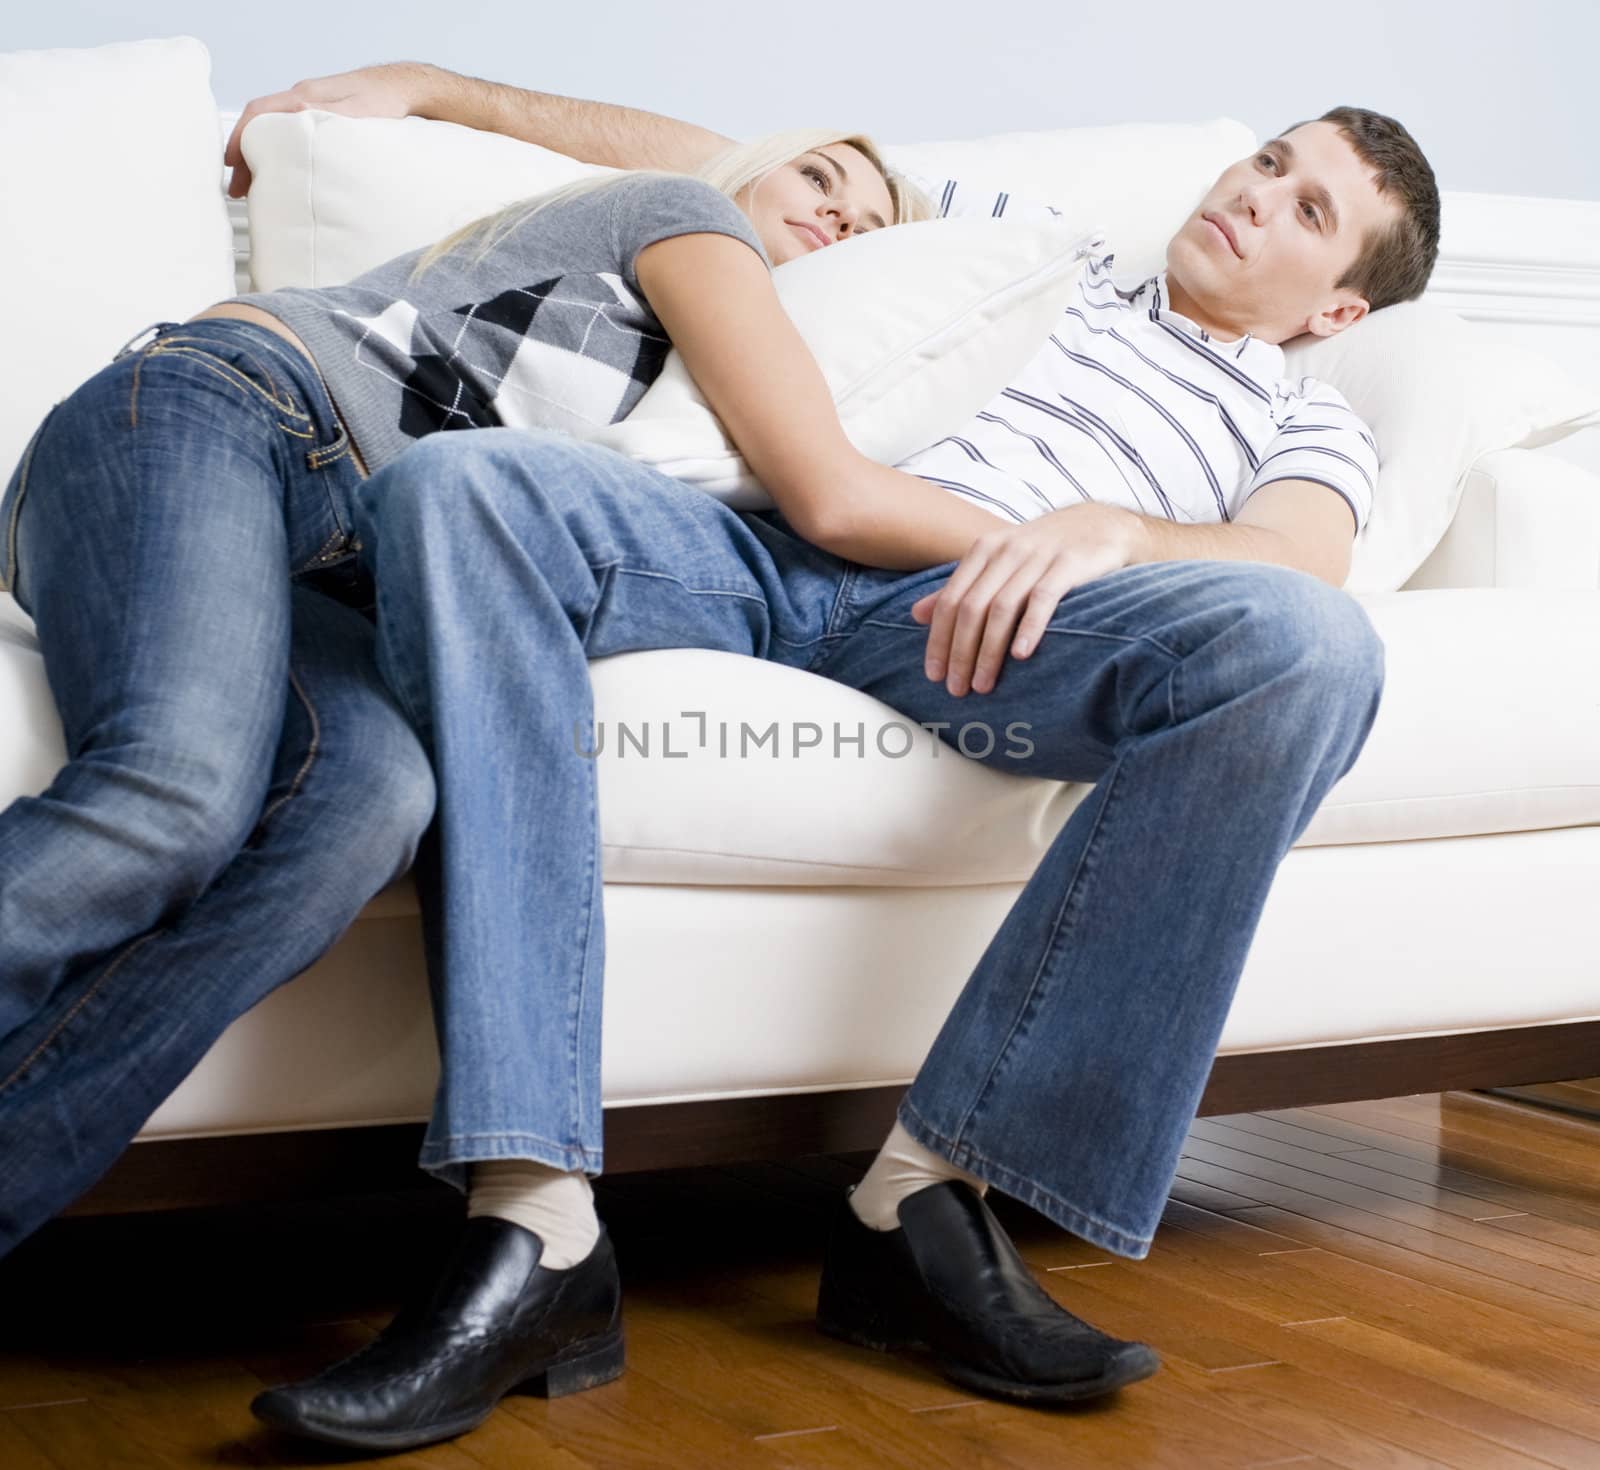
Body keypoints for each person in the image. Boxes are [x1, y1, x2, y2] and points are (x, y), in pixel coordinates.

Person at [228, 65, 1439, 1454]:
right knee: (459, 485)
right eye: (1267, 158)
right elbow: (727, 153)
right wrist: (440, 91)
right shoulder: (1045, 242)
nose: (1252, 194)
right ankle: (537, 1223)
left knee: (1314, 652)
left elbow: (1298, 562)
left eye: (1306, 207)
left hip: (984, 623)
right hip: (755, 536)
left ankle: (928, 1202)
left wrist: (1113, 527)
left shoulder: (1304, 418)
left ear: (1338, 308)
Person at [0, 130, 917, 1253]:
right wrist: (1094, 544)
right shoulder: (687, 215)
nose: (835, 220)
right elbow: (833, 496)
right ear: (755, 172)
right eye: (819, 180)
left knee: (361, 810)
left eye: (870, 228)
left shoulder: (703, 415)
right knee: (175, 795)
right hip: (230, 415)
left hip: (332, 584)